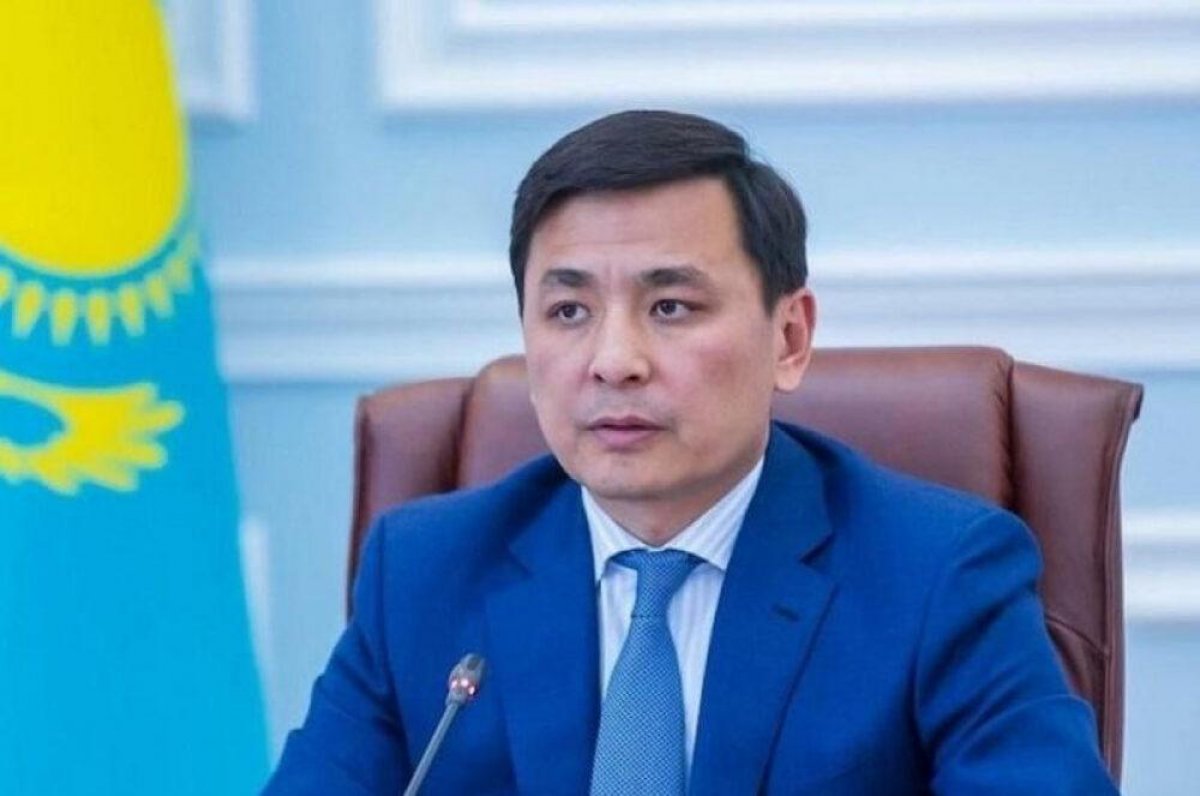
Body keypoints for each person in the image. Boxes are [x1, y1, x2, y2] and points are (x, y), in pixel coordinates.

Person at [264, 110, 1118, 794]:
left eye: (670, 307)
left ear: (789, 337)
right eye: (568, 312)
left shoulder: (938, 575)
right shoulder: (424, 571)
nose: (614, 360)